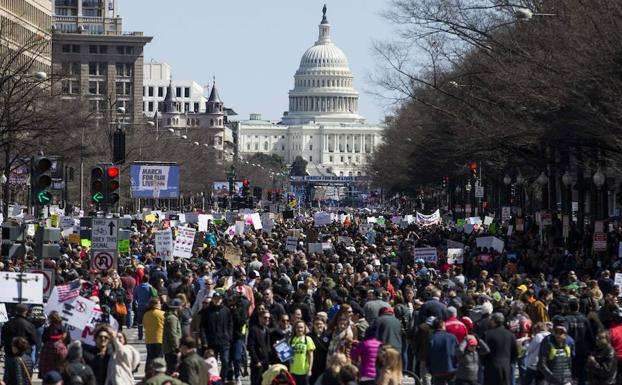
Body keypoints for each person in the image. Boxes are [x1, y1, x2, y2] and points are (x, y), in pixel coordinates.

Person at [200, 291, 233, 378]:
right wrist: (204, 341)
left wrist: (229, 336)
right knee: (212, 363)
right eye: (215, 298)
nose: (217, 300)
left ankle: (221, 379)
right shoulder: (207, 312)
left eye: (219, 299)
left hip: (224, 341)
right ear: (213, 299)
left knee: (225, 361)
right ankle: (214, 379)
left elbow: (230, 324)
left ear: (222, 300)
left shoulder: (226, 310)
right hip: (212, 342)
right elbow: (202, 327)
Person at [483, 313, 518, 385]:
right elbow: (515, 353)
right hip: (505, 367)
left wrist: (484, 362)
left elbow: (483, 352)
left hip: (491, 367)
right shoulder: (510, 335)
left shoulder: (487, 334)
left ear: (493, 321)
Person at [537, 321, 573, 385]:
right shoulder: (548, 343)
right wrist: (552, 378)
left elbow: (570, 363)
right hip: (552, 381)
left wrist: (569, 378)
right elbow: (542, 364)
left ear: (565, 334)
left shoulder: (569, 344)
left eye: (561, 332)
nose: (558, 335)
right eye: (556, 332)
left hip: (566, 381)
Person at [427, 319, 458, 385]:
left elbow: (427, 355)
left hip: (436, 370)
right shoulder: (452, 337)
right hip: (451, 368)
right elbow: (457, 353)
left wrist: (429, 368)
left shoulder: (431, 339)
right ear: (443, 326)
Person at [248, 310, 272, 385]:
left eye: (268, 318)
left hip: (266, 362)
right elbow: (250, 346)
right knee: (256, 382)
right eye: (265, 317)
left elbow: (268, 346)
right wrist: (256, 360)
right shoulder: (254, 330)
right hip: (257, 362)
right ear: (260, 318)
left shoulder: (267, 330)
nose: (267, 319)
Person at [289, 320, 316, 385]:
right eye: (297, 327)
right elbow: (287, 355)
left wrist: (309, 370)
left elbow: (311, 356)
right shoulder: (291, 340)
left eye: (301, 327)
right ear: (294, 329)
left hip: (304, 371)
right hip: (293, 371)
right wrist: (280, 354)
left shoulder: (307, 339)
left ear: (304, 329)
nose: (299, 329)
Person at [309, 316, 331, 385]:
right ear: (313, 325)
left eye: (320, 324)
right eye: (317, 324)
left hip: (324, 366)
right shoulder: (309, 336)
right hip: (312, 367)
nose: (319, 325)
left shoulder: (329, 335)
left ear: (324, 325)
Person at [163, 298, 183, 374]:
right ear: (177, 307)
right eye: (181, 306)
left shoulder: (172, 317)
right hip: (172, 350)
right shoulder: (172, 318)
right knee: (173, 370)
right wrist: (177, 348)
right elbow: (173, 334)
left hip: (170, 348)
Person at [143, 297, 165, 364]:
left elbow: (144, 325)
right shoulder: (163, 314)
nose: (160, 304)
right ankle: (158, 372)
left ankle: (148, 372)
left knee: (150, 358)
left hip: (149, 339)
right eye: (159, 303)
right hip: (159, 338)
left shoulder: (146, 314)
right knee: (159, 359)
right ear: (156, 305)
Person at [135, 274, 156, 340]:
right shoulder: (150, 287)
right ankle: (149, 334)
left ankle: (140, 335)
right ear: (148, 279)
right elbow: (154, 296)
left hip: (140, 305)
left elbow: (135, 296)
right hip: (148, 306)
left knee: (140, 322)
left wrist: (136, 302)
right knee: (149, 321)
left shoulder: (138, 287)